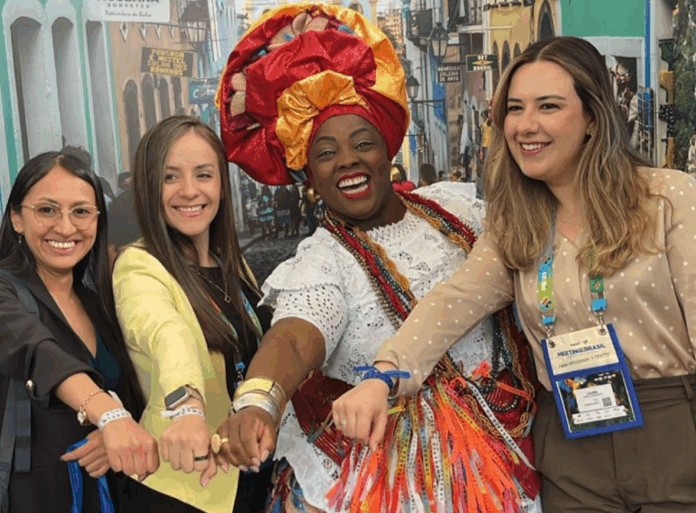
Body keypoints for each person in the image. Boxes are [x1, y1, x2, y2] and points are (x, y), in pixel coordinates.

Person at [338, 36, 696, 512]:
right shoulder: (516, 224)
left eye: (548, 106)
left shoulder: (669, 200)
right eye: (514, 108)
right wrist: (383, 377)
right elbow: (453, 302)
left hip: (673, 434)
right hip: (571, 449)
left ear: (593, 117)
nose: (526, 125)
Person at [214, 5, 540, 512]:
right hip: (397, 485)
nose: (347, 159)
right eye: (326, 153)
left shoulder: (456, 210)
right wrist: (259, 401)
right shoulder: (322, 262)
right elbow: (294, 337)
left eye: (362, 143)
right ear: (309, 176)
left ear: (388, 151)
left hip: (514, 449)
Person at [112, 116, 273, 512]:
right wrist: (187, 409)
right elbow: (167, 334)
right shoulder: (139, 266)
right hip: (185, 488)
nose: (189, 190)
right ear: (149, 186)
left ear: (221, 184)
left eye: (203, 174)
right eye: (170, 177)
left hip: (248, 476)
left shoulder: (230, 264)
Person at [0, 151, 158, 511]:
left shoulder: (96, 301)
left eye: (81, 212)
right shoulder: (6, 291)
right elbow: (36, 349)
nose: (66, 227)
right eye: (47, 210)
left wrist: (111, 431)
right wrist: (109, 415)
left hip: (111, 496)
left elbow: (132, 390)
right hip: (35, 498)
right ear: (17, 218)